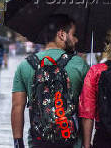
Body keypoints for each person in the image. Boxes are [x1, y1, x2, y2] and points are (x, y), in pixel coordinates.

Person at [11, 15, 89, 148]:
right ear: (61, 35)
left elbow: (17, 107)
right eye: (73, 34)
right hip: (71, 142)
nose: (76, 40)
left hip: (38, 141)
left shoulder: (25, 66)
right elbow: (87, 110)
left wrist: (18, 143)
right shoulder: (80, 65)